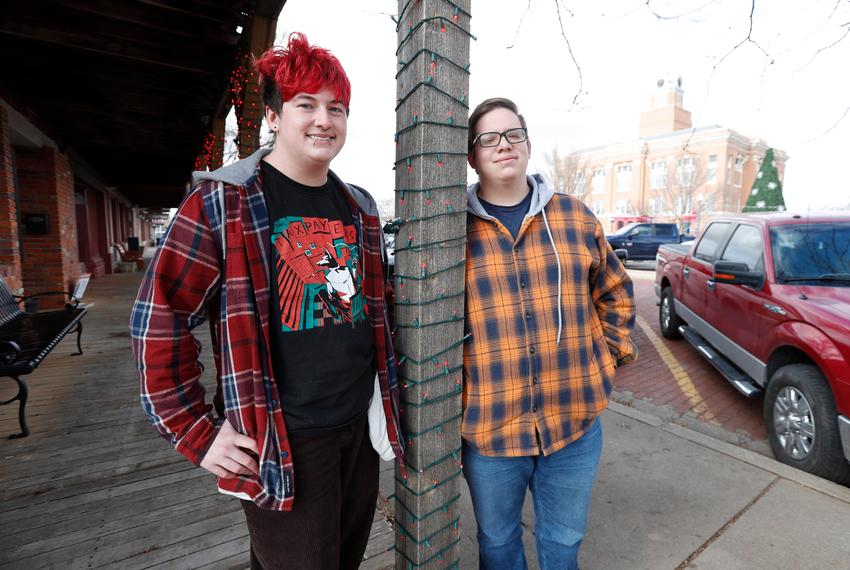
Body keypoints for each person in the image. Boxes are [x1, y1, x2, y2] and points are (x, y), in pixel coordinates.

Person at [131, 32, 402, 570]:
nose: (324, 119)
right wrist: (195, 432)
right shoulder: (221, 202)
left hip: (357, 428)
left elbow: (375, 312)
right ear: (276, 116)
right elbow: (159, 320)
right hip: (282, 439)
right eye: (306, 105)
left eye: (336, 108)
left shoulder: (361, 208)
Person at [462, 97, 637, 570]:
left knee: (562, 545)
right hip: (492, 431)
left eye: (513, 134)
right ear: (473, 155)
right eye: (489, 138)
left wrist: (607, 359)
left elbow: (616, 291)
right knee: (497, 546)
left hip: (573, 426)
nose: (504, 145)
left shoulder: (574, 217)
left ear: (528, 144)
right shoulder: (453, 233)